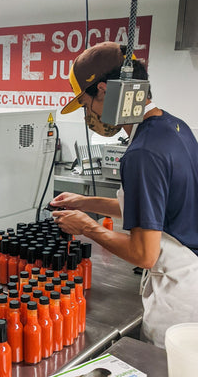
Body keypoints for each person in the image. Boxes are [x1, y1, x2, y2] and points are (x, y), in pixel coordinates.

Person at [51, 41, 198, 348]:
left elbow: (144, 254)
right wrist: (82, 201)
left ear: (102, 91)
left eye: (86, 103)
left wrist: (87, 227)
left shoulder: (143, 152)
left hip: (178, 298)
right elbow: (152, 209)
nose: (89, 114)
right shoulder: (173, 127)